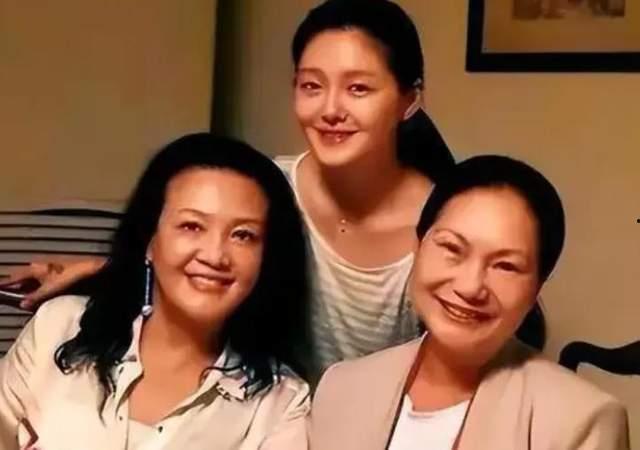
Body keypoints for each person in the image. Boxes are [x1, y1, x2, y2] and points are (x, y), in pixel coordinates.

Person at [4, 0, 462, 382]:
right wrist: (97, 269)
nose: (330, 109)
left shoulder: (445, 225)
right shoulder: (266, 188)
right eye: (311, 86)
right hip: (258, 416)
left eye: (358, 89)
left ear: (409, 100)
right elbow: (203, 260)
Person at [0, 133, 311, 450]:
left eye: (243, 235)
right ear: (150, 240)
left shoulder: (281, 405)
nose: (215, 255)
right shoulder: (58, 326)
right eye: (192, 226)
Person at [310, 155, 629, 450]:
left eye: (505, 266)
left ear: (536, 289)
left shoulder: (580, 420)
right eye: (452, 248)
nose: (470, 286)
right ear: (417, 247)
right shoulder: (341, 387)